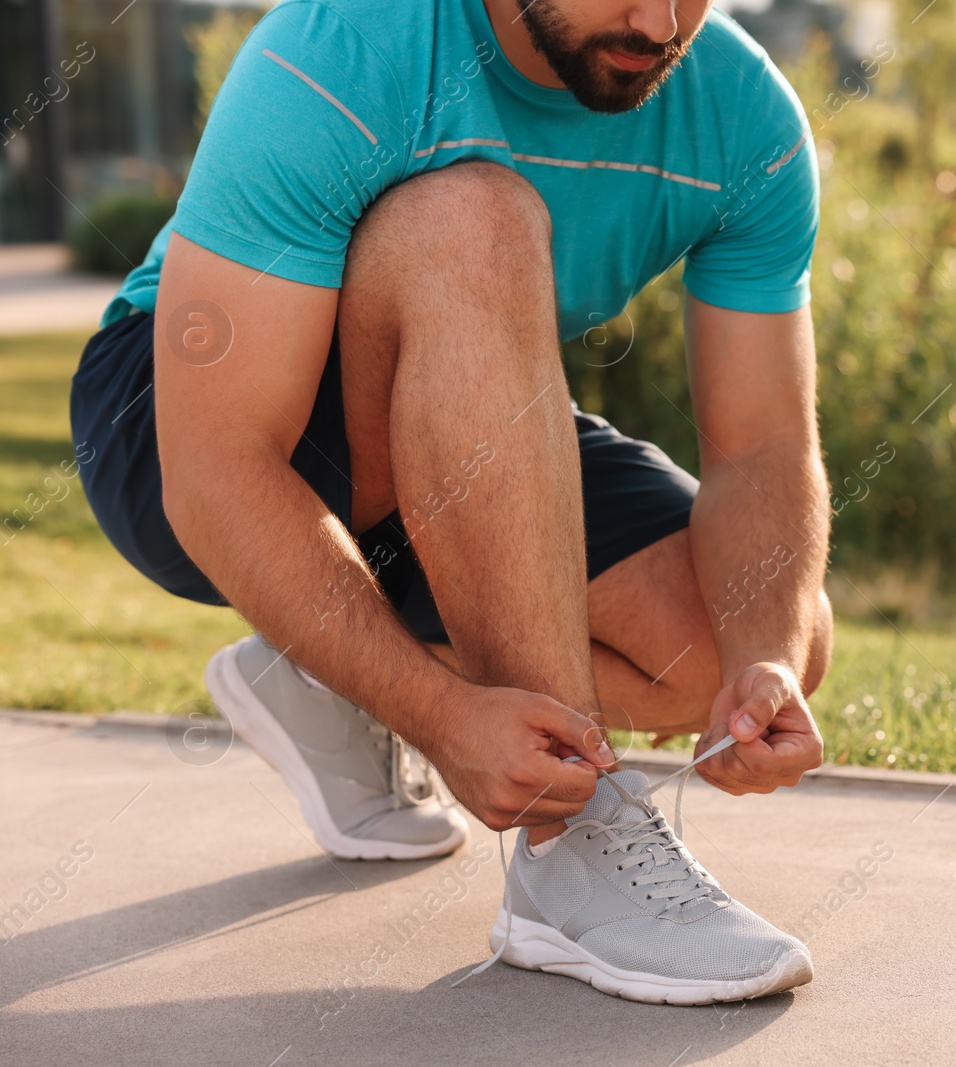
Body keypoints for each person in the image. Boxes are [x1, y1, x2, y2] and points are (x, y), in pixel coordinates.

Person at [69, 0, 833, 1005]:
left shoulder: (742, 117)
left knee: (751, 626)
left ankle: (327, 670)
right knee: (472, 215)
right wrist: (438, 713)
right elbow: (216, 468)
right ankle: (570, 843)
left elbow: (765, 447)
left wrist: (763, 656)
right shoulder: (342, 49)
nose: (658, 20)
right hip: (184, 417)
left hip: (452, 400)